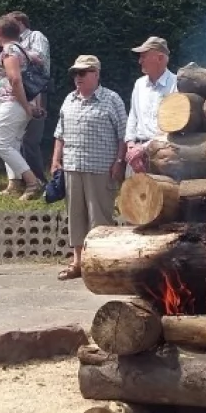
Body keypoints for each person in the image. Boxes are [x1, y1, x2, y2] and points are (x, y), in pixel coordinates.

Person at [51, 55, 127, 281]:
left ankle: (101, 264)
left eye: (82, 73)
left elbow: (124, 135)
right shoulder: (69, 99)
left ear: (96, 73)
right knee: (75, 217)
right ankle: (78, 263)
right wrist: (56, 160)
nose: (77, 78)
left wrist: (119, 162)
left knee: (100, 218)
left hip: (100, 168)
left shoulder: (112, 99)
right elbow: (59, 133)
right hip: (72, 167)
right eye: (75, 73)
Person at [0, 15, 45, 200]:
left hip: (13, 103)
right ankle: (14, 184)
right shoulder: (22, 49)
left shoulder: (9, 50)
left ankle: (32, 183)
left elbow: (15, 79)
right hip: (20, 102)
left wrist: (25, 106)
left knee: (0, 143)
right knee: (12, 142)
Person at [125, 36, 177, 175]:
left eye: (143, 56)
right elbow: (133, 117)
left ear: (159, 58)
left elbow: (173, 128)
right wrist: (131, 146)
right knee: (132, 196)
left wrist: (143, 149)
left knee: (161, 196)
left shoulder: (177, 85)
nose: (140, 61)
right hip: (135, 156)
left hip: (163, 155)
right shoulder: (139, 84)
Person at [9, 11, 51, 183]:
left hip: (36, 91)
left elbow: (40, 58)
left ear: (20, 23)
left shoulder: (36, 36)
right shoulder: (13, 43)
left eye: (10, 23)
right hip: (19, 93)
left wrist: (17, 52)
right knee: (15, 138)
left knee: (31, 138)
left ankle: (39, 180)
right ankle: (22, 180)